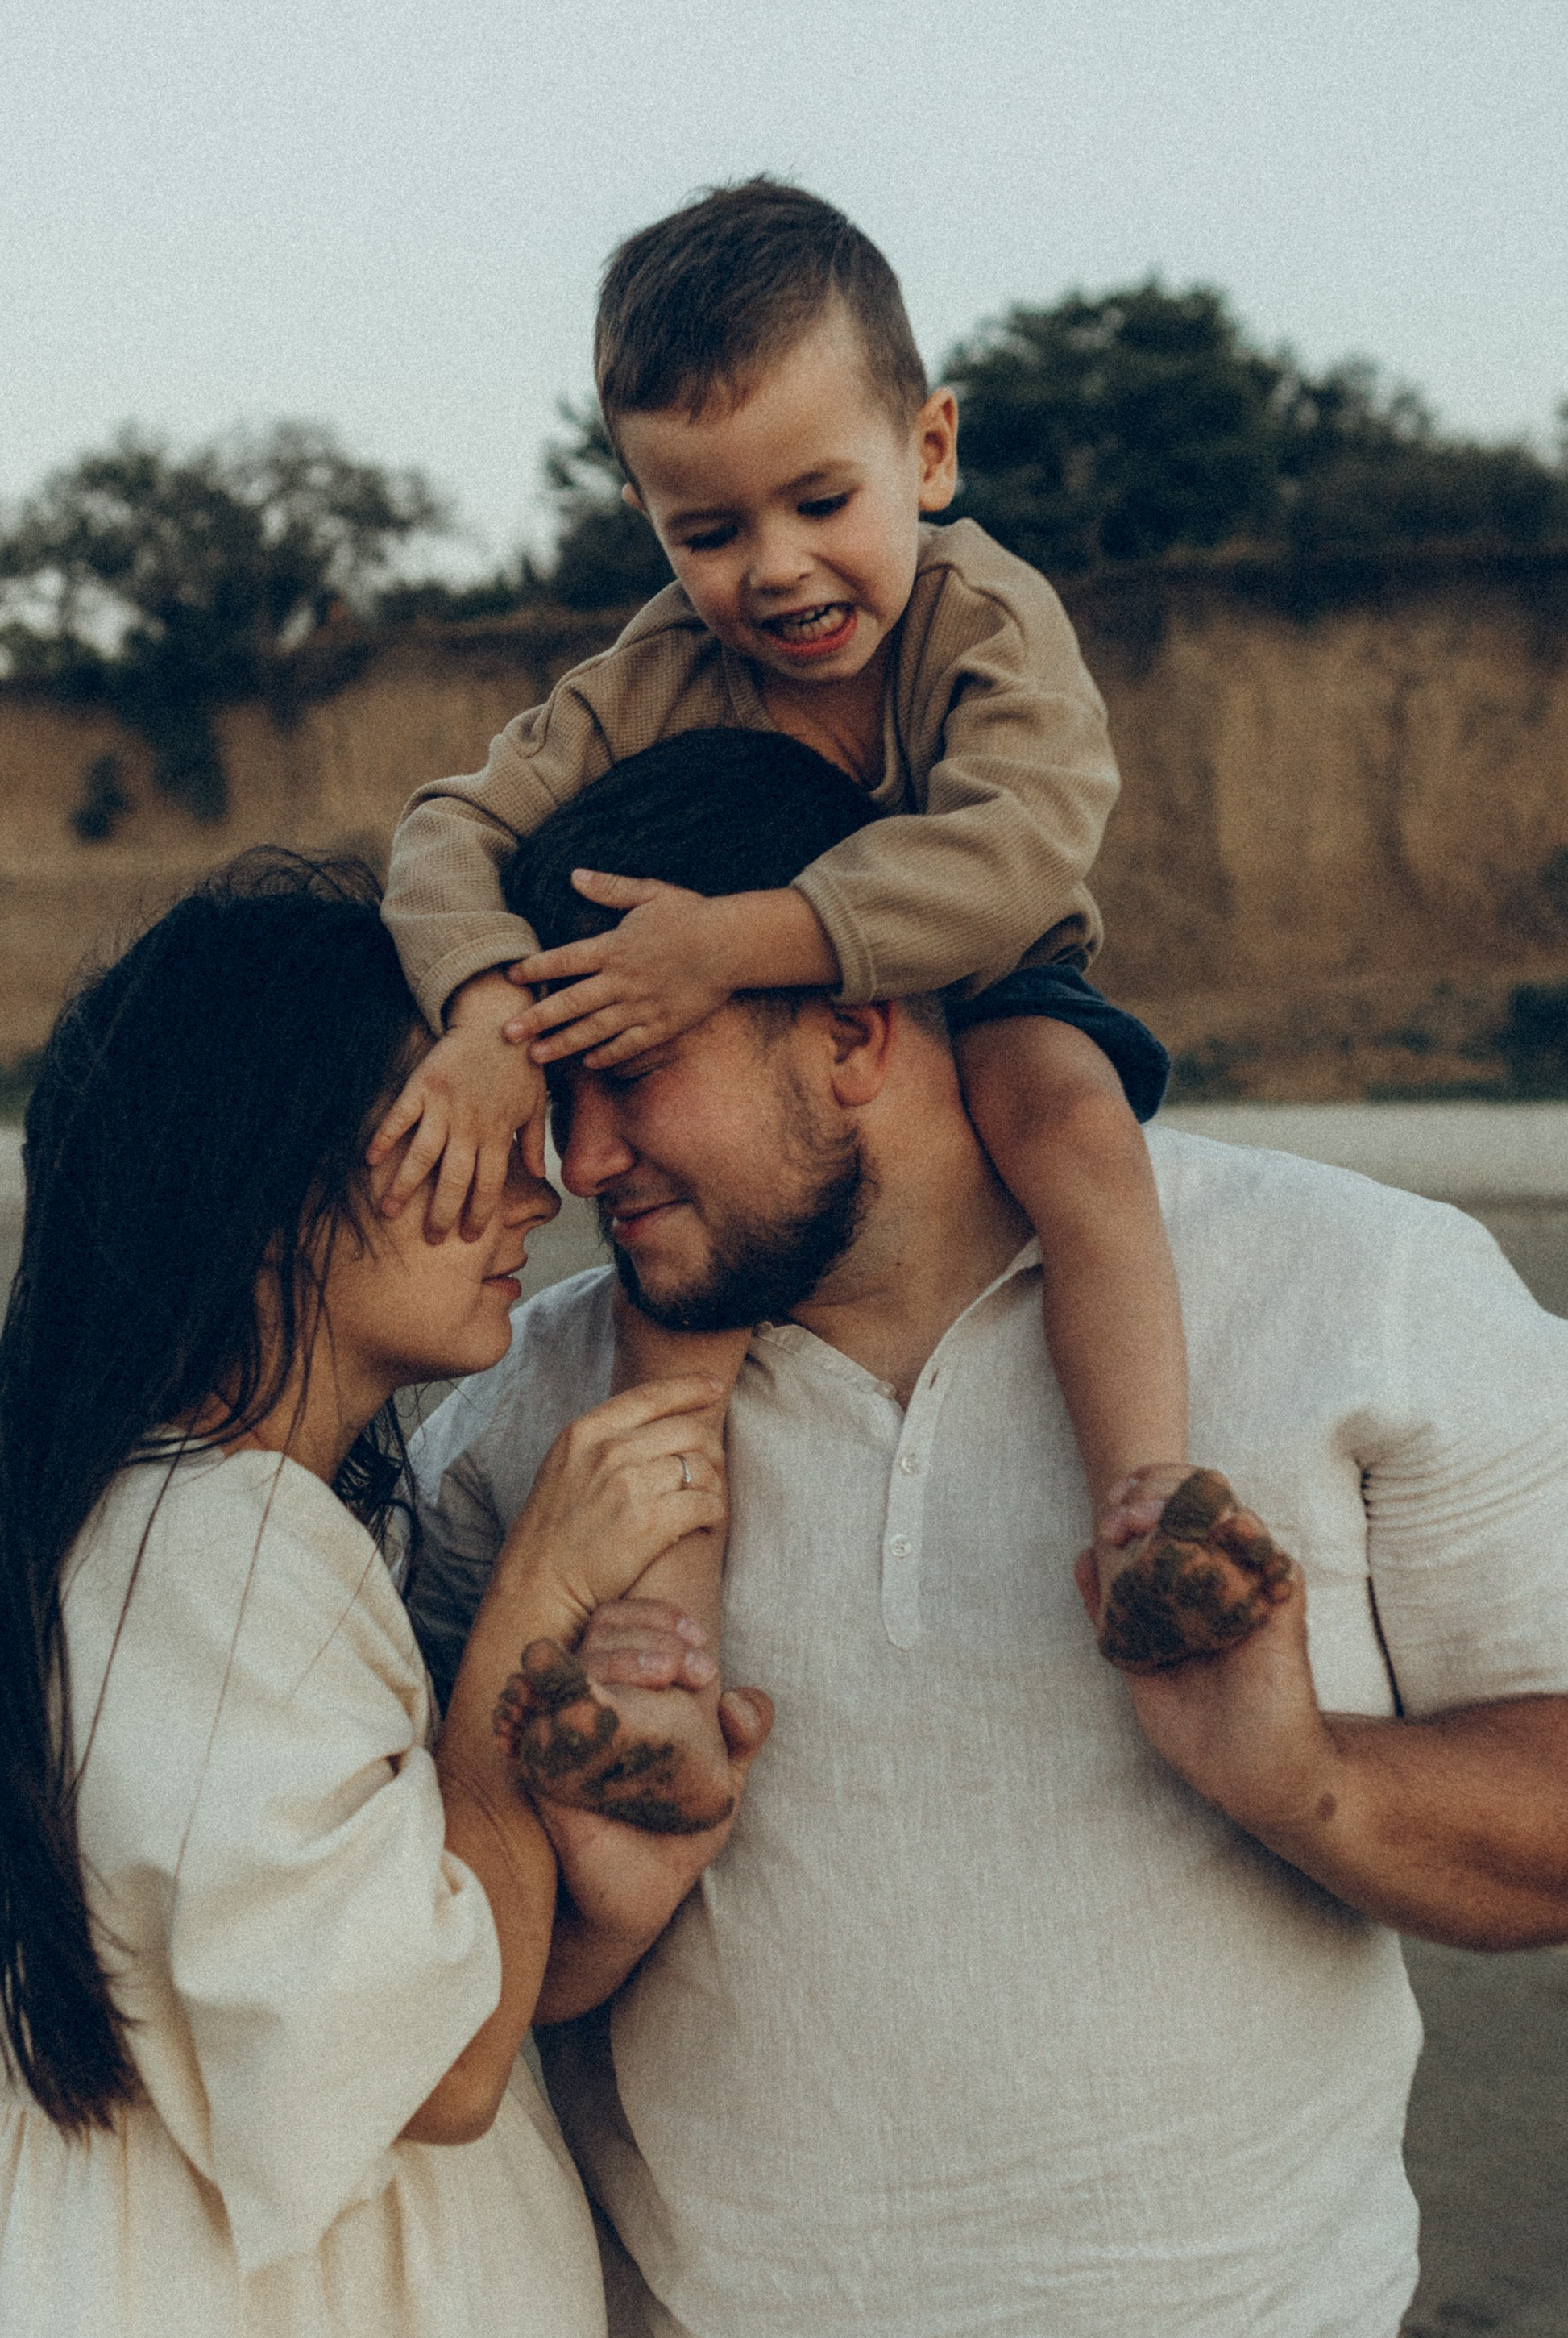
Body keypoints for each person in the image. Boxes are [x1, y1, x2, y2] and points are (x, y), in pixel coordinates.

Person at [404, 733, 1568, 2338]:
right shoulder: (515, 1431)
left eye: (622, 1076)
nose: (575, 1163)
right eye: (550, 1095)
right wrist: (599, 1896)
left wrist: (1299, 1779)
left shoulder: (1357, 1289)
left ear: (854, 1020)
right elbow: (449, 1987)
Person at [0, 853, 772, 2338]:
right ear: (264, 1188)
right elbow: (435, 2069)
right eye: (454, 1125)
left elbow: (335, 1986)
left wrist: (602, 1878)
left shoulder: (147, 1534)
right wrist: (524, 1633)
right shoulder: (221, 1560)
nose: (537, 1178)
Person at [374, 175, 1284, 1688]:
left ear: (927, 452)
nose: (777, 567)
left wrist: (733, 944)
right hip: (766, 1064)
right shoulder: (648, 673)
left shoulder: (986, 620)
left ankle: (1146, 1501)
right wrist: (482, 1015)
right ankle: (667, 1632)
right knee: (690, 1291)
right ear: (645, 519)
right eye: (710, 529)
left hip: (991, 983)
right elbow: (446, 832)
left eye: (820, 502)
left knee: (1067, 1123)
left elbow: (1016, 848)